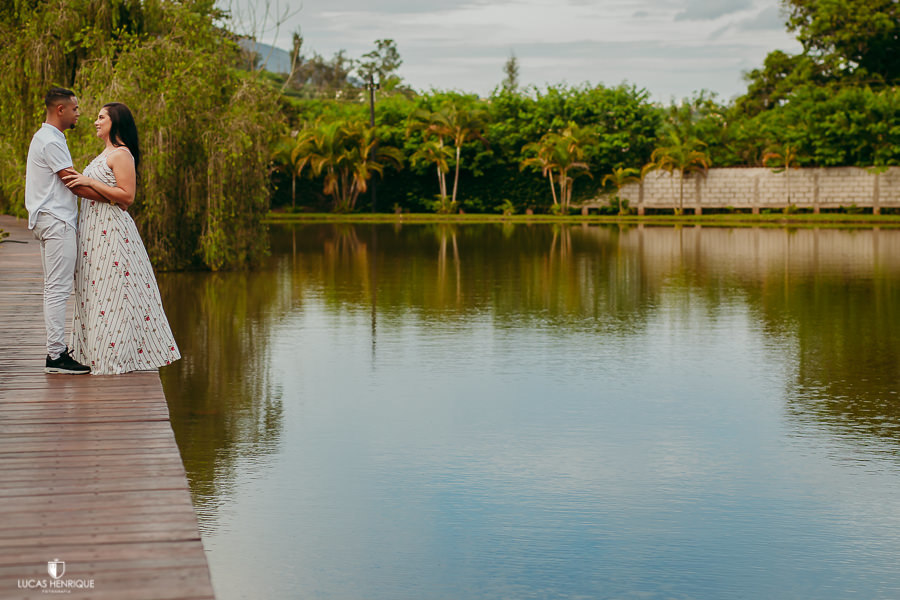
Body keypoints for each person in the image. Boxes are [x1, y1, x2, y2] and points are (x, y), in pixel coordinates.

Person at [62, 102, 181, 375]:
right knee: (94, 290)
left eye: (101, 117)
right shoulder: (104, 154)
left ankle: (115, 356)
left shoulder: (122, 154)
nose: (95, 121)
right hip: (92, 231)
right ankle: (93, 354)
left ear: (115, 121)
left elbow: (127, 197)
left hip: (111, 231)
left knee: (113, 292)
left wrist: (90, 182)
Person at [25, 87, 103, 374]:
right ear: (60, 110)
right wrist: (112, 198)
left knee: (53, 288)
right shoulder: (50, 140)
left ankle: (55, 352)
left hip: (49, 219)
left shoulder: (49, 137)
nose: (78, 113)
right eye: (75, 108)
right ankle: (56, 356)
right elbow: (73, 183)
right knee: (58, 288)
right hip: (57, 221)